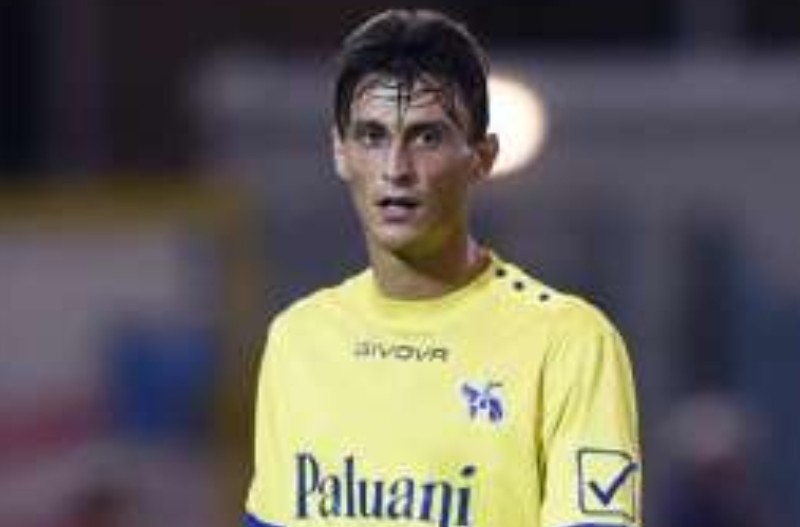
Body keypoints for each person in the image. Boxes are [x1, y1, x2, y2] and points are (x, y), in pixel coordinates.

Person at [245, 9, 641, 527]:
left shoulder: (568, 342)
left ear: (482, 156)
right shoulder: (298, 339)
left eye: (426, 137)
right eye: (372, 136)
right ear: (339, 151)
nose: (396, 169)